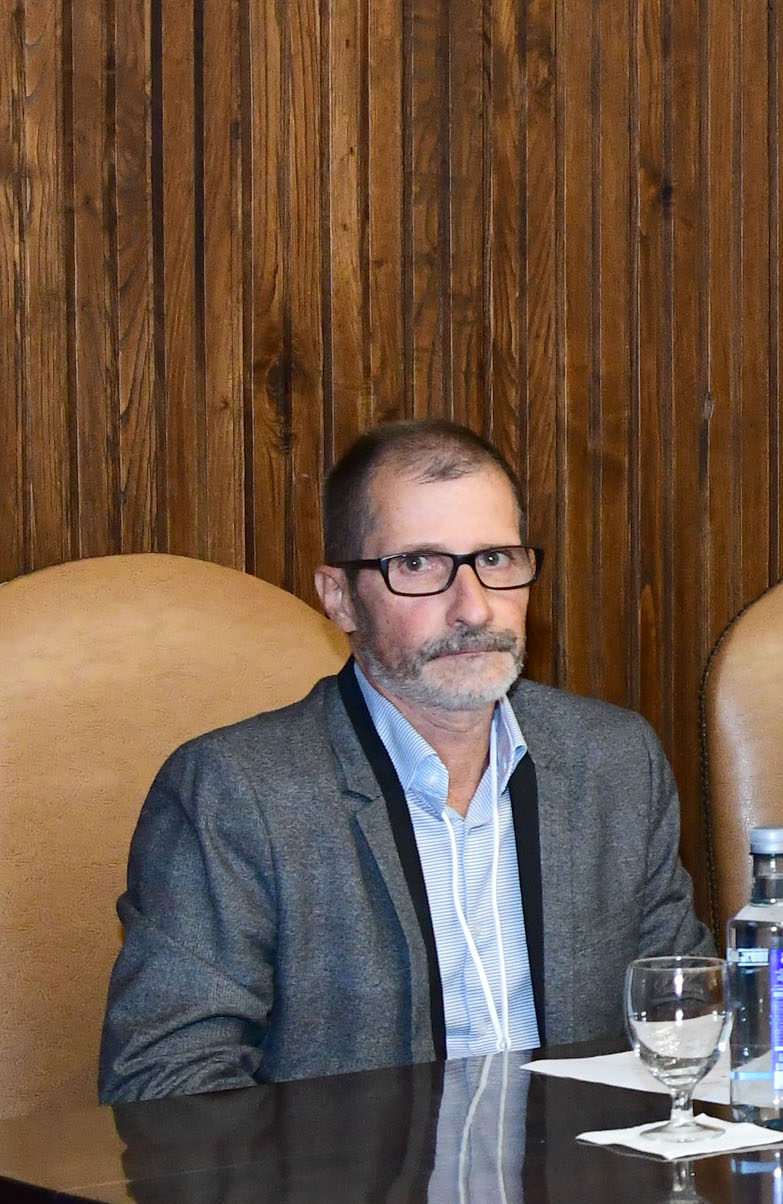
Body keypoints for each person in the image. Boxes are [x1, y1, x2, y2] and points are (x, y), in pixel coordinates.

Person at [100, 421, 709, 1104]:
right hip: (346, 1175)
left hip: (585, 1169)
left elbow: (684, 1015)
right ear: (339, 597)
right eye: (419, 565)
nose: (473, 608)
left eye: (496, 559)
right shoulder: (236, 793)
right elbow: (167, 1090)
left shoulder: (614, 761)